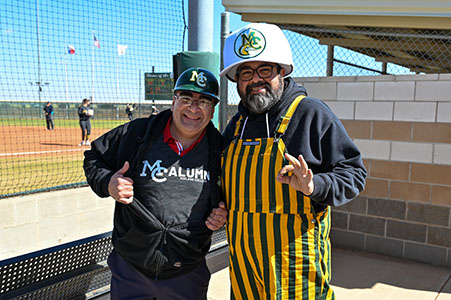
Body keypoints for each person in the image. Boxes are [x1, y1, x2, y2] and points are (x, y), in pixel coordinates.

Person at [220, 23, 367, 299]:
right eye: (246, 72)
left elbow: (354, 173)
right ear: (236, 80)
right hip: (243, 272)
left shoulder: (310, 114)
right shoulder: (236, 125)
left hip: (296, 272)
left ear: (282, 71)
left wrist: (315, 186)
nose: (255, 80)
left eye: (265, 69)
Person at [83, 67, 227, 300]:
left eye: (204, 101)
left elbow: (228, 196)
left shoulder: (221, 149)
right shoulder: (137, 133)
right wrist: (108, 182)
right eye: (186, 98)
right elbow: (93, 158)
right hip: (132, 267)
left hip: (187, 271)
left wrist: (221, 213)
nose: (193, 107)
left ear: (213, 109)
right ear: (173, 102)